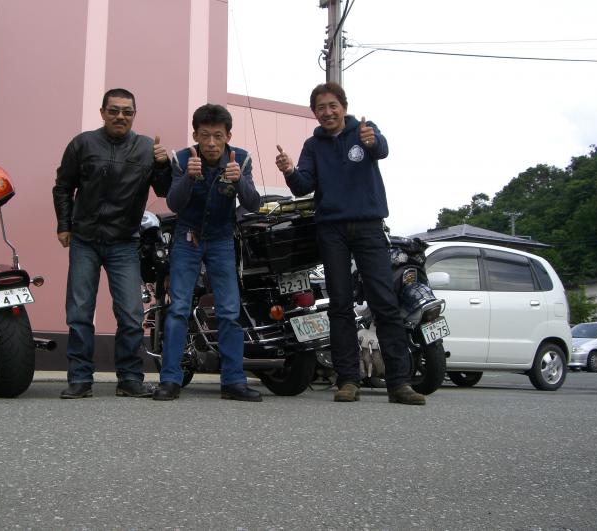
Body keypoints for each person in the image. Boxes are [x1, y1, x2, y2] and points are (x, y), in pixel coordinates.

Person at [274, 82, 426, 405]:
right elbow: (302, 186)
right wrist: (289, 171)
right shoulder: (312, 146)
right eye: (321, 108)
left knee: (384, 301)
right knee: (339, 304)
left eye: (333, 106)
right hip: (331, 231)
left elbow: (381, 149)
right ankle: (347, 380)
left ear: (344, 106)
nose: (327, 112)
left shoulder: (364, 131)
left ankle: (399, 383)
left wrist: (373, 142)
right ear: (314, 113)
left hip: (369, 226)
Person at [53, 88, 171, 399]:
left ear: (134, 115)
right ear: (103, 112)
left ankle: (130, 379)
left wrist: (162, 165)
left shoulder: (147, 148)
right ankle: (80, 379)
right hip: (85, 240)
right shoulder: (82, 144)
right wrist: (64, 225)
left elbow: (165, 191)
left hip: (125, 242)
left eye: (127, 112)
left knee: (132, 314)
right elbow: (63, 186)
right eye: (114, 110)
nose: (121, 116)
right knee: (80, 313)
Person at [152, 104, 262, 402]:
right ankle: (170, 380)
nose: (211, 143)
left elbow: (253, 204)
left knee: (229, 311)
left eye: (218, 136)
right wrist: (189, 177)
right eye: (205, 136)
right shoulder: (182, 158)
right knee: (178, 308)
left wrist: (239, 180)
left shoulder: (241, 158)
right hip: (187, 238)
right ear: (196, 135)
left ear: (228, 136)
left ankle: (234, 382)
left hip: (222, 239)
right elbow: (174, 204)